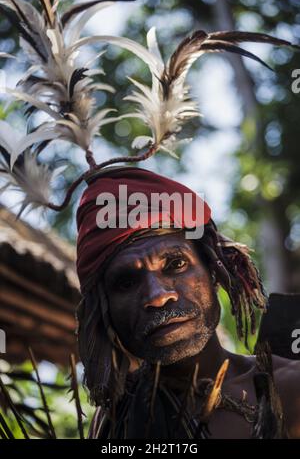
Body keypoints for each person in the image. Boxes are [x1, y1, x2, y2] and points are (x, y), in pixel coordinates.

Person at [76, 166, 300, 439]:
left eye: (176, 264)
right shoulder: (115, 420)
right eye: (126, 282)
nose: (158, 296)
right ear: (104, 309)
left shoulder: (291, 390)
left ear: (215, 272)